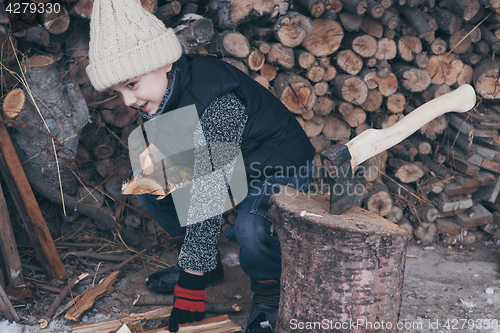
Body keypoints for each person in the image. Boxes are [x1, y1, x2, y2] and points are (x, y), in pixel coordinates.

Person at [86, 0, 316, 331]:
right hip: (232, 165)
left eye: (131, 84)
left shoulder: (215, 99)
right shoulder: (162, 94)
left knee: (252, 228)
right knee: (149, 184)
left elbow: (208, 193)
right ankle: (205, 264)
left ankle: (269, 292)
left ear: (162, 62)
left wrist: (190, 287)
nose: (127, 101)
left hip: (278, 165)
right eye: (118, 91)